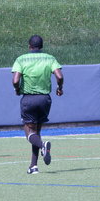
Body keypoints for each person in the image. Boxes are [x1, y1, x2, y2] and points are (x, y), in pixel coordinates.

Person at [11, 35, 63, 174]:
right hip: (45, 99)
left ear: (29, 46)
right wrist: (59, 88)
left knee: (29, 132)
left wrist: (17, 89)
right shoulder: (49, 58)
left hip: (29, 99)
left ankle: (42, 145)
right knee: (37, 132)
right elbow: (59, 76)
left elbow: (15, 80)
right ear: (42, 46)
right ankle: (33, 166)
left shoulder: (21, 59)